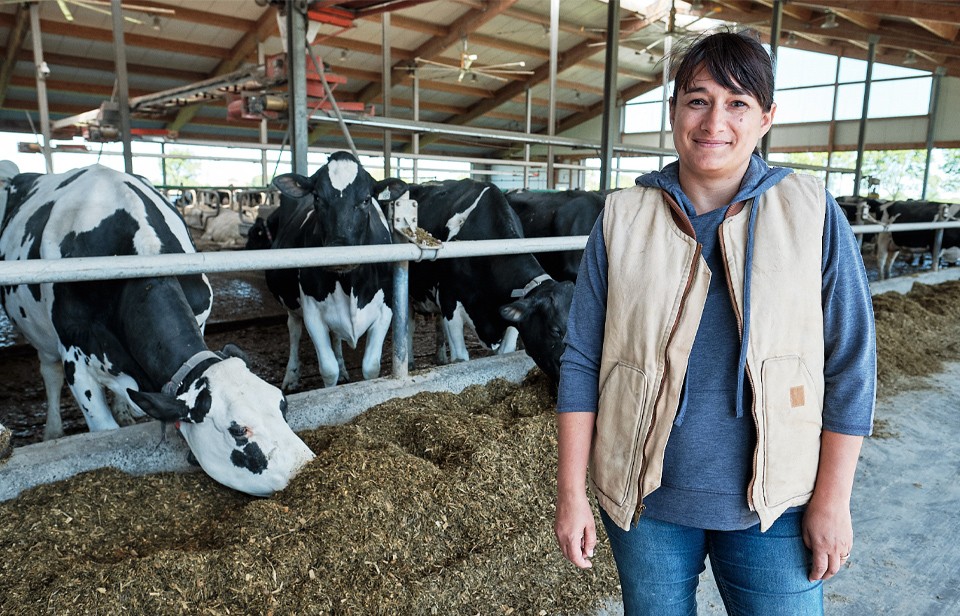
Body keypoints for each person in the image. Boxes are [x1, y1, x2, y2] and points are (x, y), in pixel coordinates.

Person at [554, 29, 876, 615]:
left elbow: (850, 361)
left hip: (776, 505)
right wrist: (571, 493)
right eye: (697, 100)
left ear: (766, 118)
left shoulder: (811, 212)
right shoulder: (624, 217)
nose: (713, 123)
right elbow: (581, 358)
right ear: (674, 109)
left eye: (737, 103)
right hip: (645, 503)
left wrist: (833, 499)